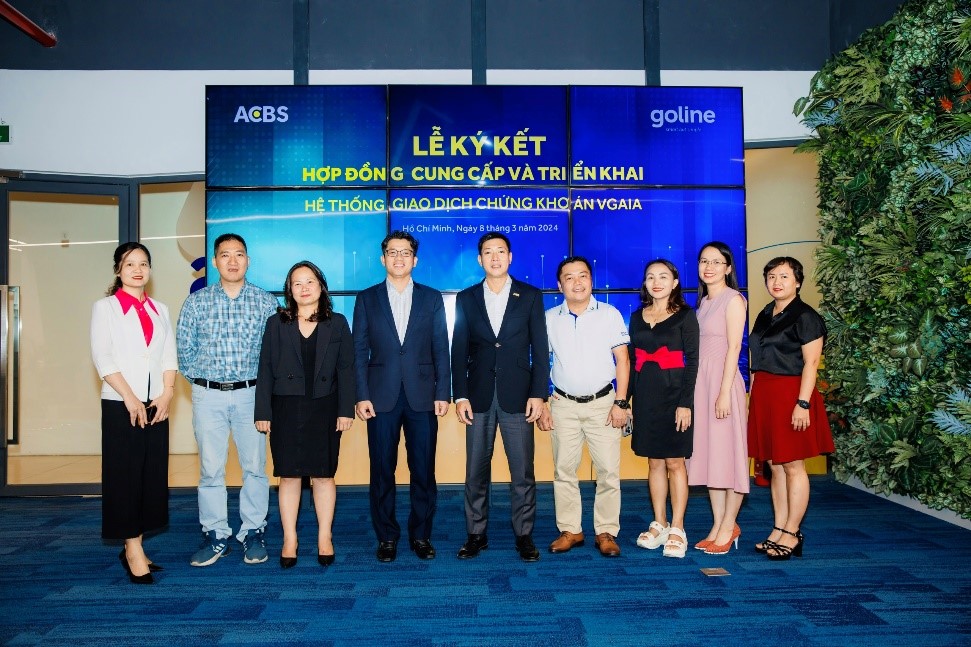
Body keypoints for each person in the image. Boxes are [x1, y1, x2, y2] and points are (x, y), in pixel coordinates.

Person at [177, 233, 278, 567]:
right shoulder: (197, 302)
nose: (232, 261)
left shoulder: (266, 302)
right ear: (215, 261)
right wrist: (205, 383)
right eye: (225, 255)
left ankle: (253, 531)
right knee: (210, 470)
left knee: (255, 468)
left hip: (252, 395)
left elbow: (275, 354)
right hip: (208, 396)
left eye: (239, 254)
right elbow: (184, 352)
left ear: (248, 260)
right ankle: (215, 533)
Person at [352, 231, 450, 563]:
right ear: (383, 259)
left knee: (423, 469)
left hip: (423, 396)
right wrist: (361, 394)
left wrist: (443, 391)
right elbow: (359, 351)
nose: (398, 258)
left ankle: (421, 535)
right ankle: (387, 537)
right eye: (392, 252)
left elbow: (441, 348)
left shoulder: (431, 298)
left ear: (415, 260)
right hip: (380, 397)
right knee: (382, 470)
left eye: (405, 253)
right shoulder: (367, 298)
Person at [451, 232, 549, 562]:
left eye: (501, 251)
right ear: (479, 259)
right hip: (477, 396)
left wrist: (539, 394)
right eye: (488, 252)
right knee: (475, 471)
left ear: (510, 257)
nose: (495, 257)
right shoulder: (466, 298)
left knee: (522, 472)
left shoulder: (530, 296)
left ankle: (524, 535)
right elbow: (458, 350)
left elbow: (540, 349)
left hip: (518, 396)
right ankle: (476, 535)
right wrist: (460, 395)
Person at [255, 261, 355, 568]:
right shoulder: (276, 323)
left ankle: (325, 536)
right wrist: (263, 411)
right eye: (297, 283)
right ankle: (290, 538)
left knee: (324, 475)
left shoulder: (337, 323)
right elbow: (266, 368)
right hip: (286, 408)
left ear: (321, 286)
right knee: (288, 475)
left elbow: (346, 370)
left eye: (309, 281)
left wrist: (346, 410)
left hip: (325, 407)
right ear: (289, 290)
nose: (304, 288)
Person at [90, 242, 178, 584]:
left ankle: (137, 541)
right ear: (118, 270)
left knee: (150, 475)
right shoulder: (106, 308)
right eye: (130, 264)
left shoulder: (160, 309)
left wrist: (168, 393)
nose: (138, 270)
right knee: (124, 476)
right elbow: (103, 357)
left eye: (143, 264)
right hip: (121, 403)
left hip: (156, 403)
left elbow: (168, 355)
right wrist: (129, 396)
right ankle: (132, 548)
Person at [537, 257, 630, 558]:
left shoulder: (609, 314)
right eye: (569, 277)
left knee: (608, 472)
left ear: (591, 280)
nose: (577, 282)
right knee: (563, 470)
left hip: (604, 404)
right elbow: (540, 364)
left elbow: (623, 360)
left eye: (583, 276)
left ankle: (606, 531)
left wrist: (621, 402)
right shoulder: (549, 318)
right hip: (562, 404)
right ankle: (571, 530)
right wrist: (543, 402)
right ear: (559, 285)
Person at [747, 257, 834, 560]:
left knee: (793, 466)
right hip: (766, 394)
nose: (777, 282)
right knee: (775, 465)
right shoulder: (765, 313)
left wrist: (803, 403)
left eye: (784, 276)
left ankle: (793, 532)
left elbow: (812, 363)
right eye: (771, 276)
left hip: (792, 394)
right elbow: (757, 358)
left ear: (797, 281)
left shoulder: (806, 316)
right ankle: (779, 528)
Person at [629, 259, 699, 559]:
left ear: (674, 282)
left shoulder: (686, 315)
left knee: (675, 463)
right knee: (654, 462)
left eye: (663, 277)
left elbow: (693, 362)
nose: (656, 282)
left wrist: (685, 403)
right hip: (646, 397)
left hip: (675, 397)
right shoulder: (637, 317)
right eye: (650, 277)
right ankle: (659, 522)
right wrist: (627, 402)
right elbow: (633, 362)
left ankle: (678, 528)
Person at [688, 241, 750, 554]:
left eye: (716, 261)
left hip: (723, 385)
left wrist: (724, 392)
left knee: (730, 455)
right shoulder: (702, 303)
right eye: (704, 261)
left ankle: (729, 525)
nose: (709, 267)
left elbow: (735, 348)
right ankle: (718, 524)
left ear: (728, 267)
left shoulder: (734, 300)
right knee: (712, 456)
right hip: (702, 384)